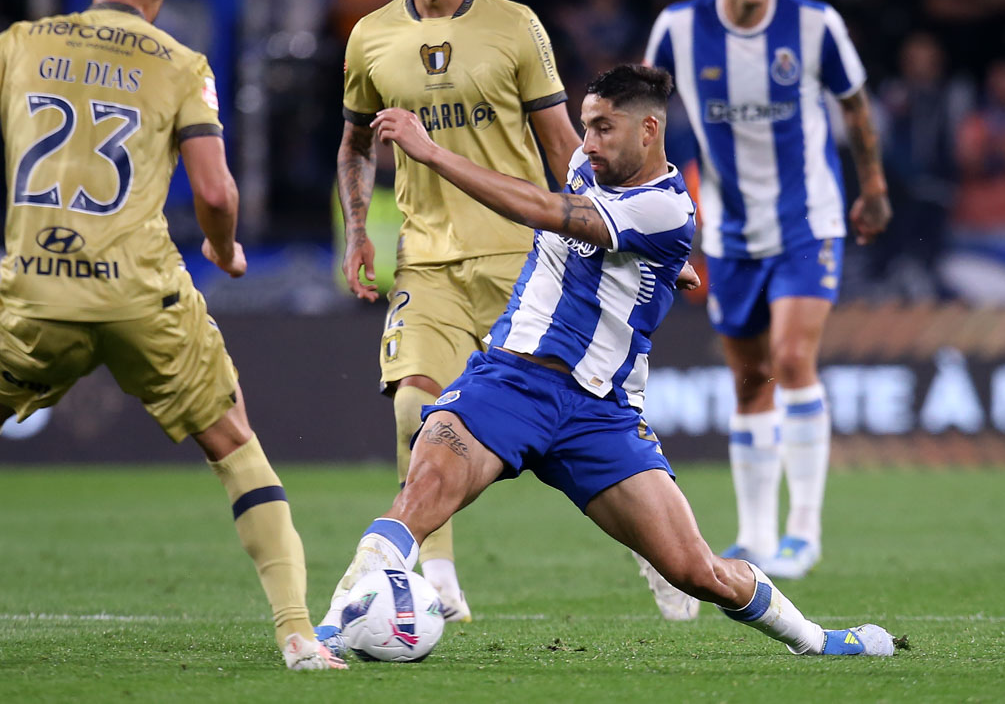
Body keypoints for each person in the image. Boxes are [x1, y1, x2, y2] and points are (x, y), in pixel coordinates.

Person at [0, 0, 344, 671]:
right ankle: (300, 635)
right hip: (141, 293)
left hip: (40, 291)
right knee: (237, 444)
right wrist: (220, 246)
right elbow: (215, 187)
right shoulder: (181, 62)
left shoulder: (19, 44)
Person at [320, 63, 899, 659]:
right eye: (585, 126)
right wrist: (664, 266)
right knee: (422, 493)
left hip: (600, 413)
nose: (588, 142)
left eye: (603, 129)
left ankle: (821, 642)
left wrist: (429, 152)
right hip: (509, 381)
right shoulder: (590, 168)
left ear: (649, 130)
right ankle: (332, 627)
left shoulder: (667, 211)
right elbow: (582, 209)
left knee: (696, 570)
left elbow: (547, 212)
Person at [331, 0, 584, 631]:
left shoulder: (516, 27)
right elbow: (351, 146)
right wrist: (355, 232)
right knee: (415, 403)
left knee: (574, 421)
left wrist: (619, 224)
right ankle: (436, 574)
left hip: (522, 258)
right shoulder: (370, 36)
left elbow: (563, 145)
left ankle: (653, 543)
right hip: (429, 260)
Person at [643, 0, 892, 578]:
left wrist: (871, 186)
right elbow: (644, 112)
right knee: (750, 377)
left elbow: (856, 106)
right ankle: (754, 533)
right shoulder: (680, 28)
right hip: (726, 229)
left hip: (808, 218)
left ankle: (802, 530)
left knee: (789, 356)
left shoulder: (814, 26)